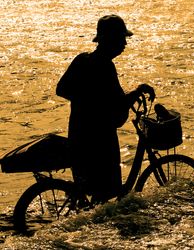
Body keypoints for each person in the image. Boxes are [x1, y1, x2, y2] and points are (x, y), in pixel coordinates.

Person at [56, 14, 155, 203]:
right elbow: (116, 103)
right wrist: (137, 92)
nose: (124, 44)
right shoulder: (105, 66)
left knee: (92, 189)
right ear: (112, 40)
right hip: (99, 138)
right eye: (122, 39)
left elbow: (62, 89)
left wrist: (88, 101)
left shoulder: (82, 60)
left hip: (78, 133)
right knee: (106, 191)